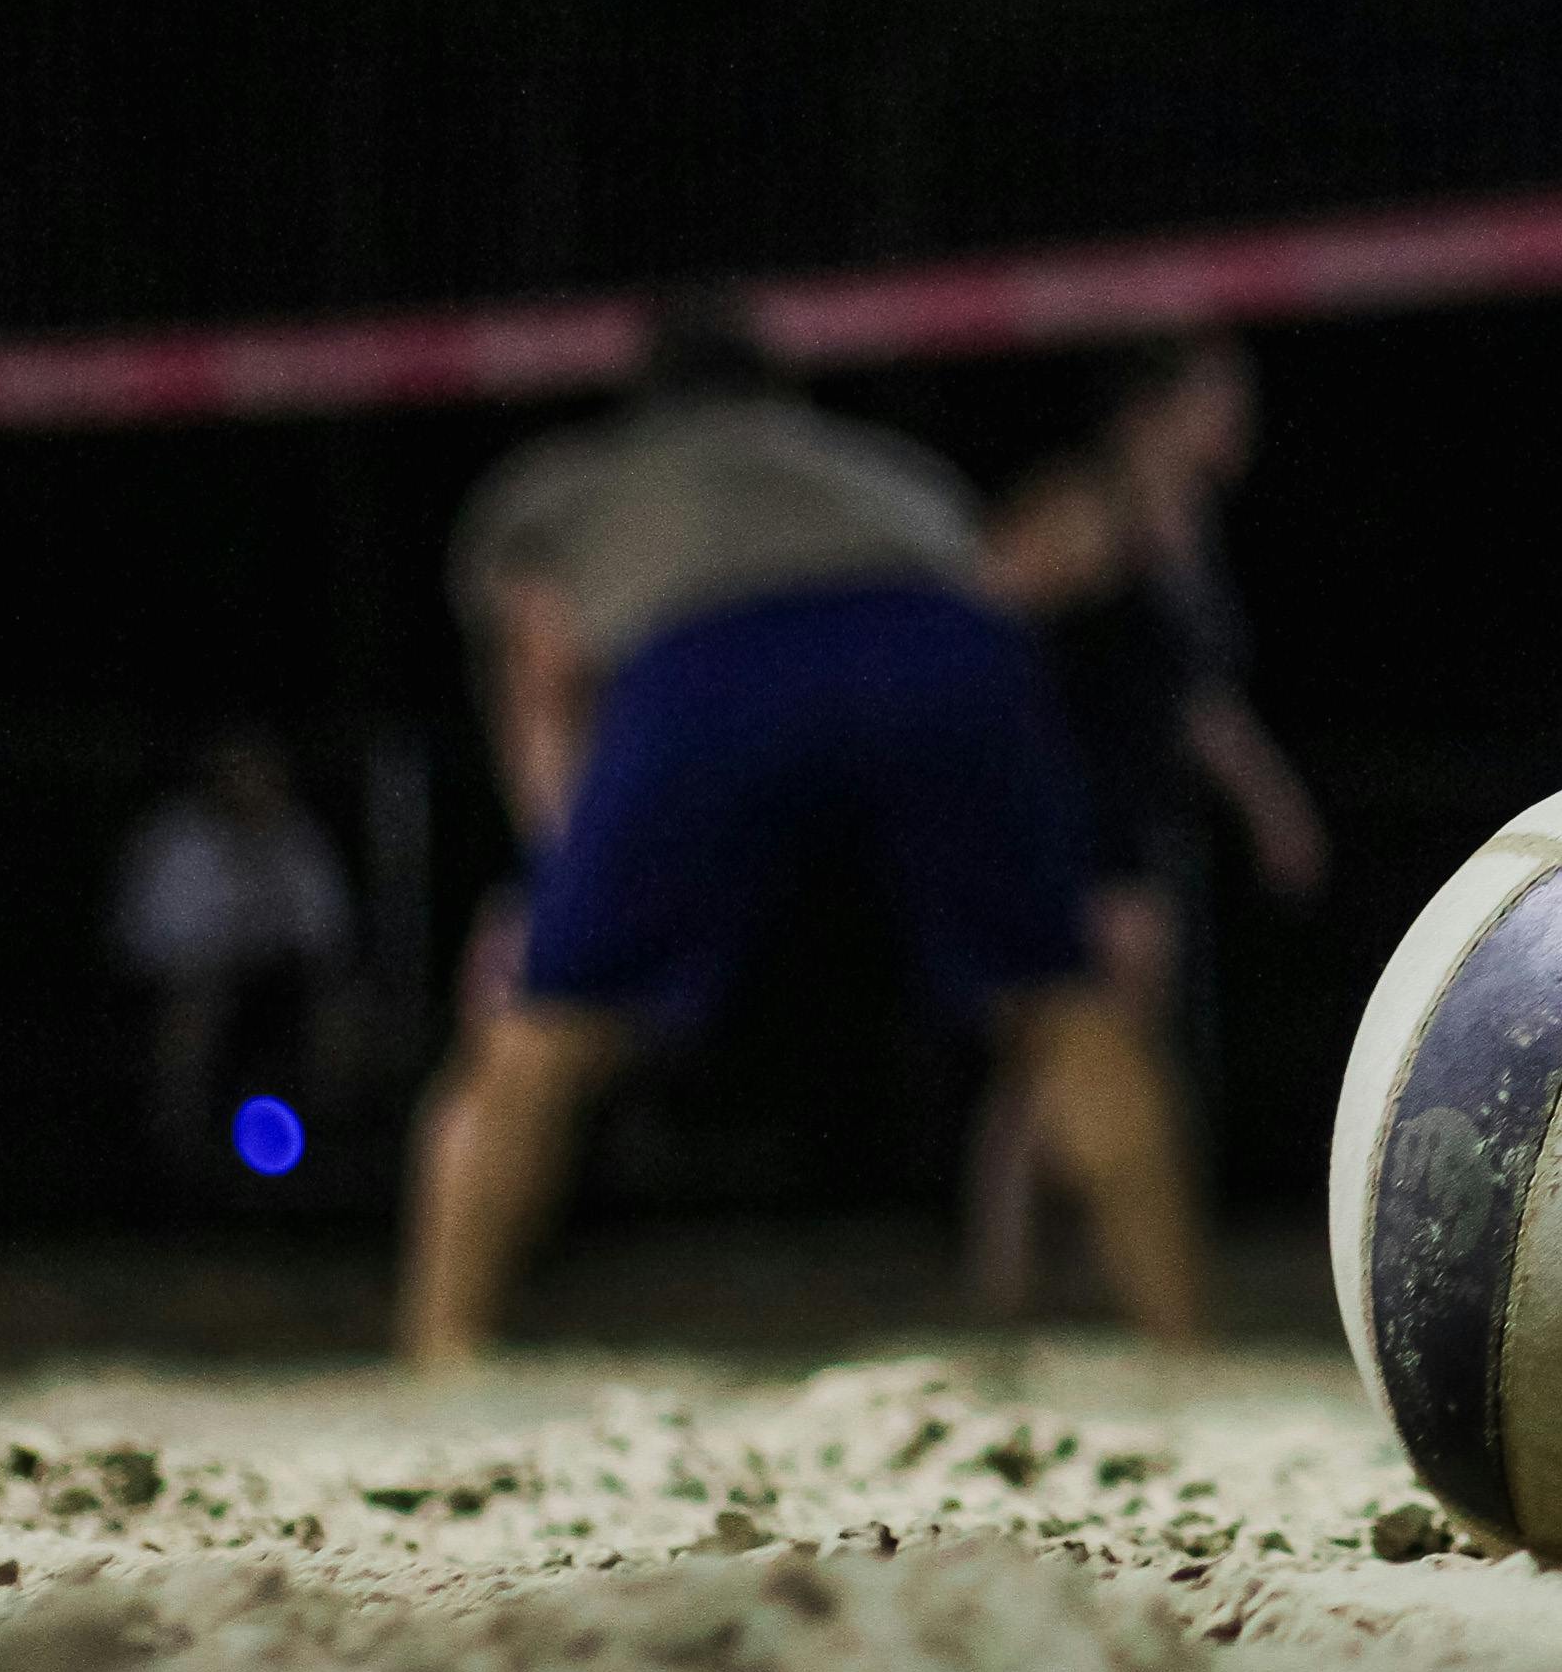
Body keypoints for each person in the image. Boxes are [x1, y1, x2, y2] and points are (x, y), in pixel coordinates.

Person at [400, 291, 1204, 1362]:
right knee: (1064, 1008)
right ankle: (1183, 1341)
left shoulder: (565, 483)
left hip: (710, 655)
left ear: (644, 398)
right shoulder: (879, 468)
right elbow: (996, 585)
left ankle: (442, 1344)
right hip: (944, 647)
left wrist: (558, 886)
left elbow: (544, 672)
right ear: (781, 397)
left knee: (540, 1036)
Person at [965, 332, 1325, 1315]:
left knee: (1101, 1048)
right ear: (1148, 409)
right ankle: (1011, 1286)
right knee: (1074, 1050)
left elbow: (1193, 700)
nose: (1235, 418)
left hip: (1131, 817)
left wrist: (1271, 805)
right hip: (1060, 817)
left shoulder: (1187, 524)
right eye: (1216, 396)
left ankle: (1060, 1280)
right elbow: (972, 624)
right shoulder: (1091, 511)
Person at [110, 726, 355, 1185]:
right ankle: (178, 1166)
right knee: (192, 1012)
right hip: (182, 990)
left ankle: (328, 1160)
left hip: (278, 992)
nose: (253, 786)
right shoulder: (177, 840)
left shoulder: (298, 839)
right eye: (239, 773)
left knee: (341, 1012)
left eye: (265, 773)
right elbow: (146, 944)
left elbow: (328, 940)